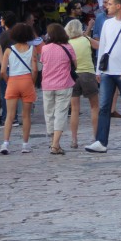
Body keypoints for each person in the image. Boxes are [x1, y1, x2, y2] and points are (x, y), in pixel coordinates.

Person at [85, 0, 121, 153]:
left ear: (118, 6)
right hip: (107, 71)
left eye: (110, 4)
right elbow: (103, 47)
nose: (106, 6)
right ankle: (101, 141)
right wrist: (98, 69)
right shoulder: (107, 24)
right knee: (104, 107)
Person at [0, 23, 39, 154]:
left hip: (13, 81)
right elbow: (35, 69)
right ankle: (25, 145)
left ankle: (5, 143)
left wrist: (8, 81)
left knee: (9, 115)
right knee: (26, 116)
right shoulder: (32, 49)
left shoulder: (9, 50)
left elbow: (3, 71)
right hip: (27, 80)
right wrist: (31, 82)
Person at [39, 23, 76, 155]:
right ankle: (55, 144)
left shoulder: (45, 48)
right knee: (61, 113)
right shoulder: (68, 47)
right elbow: (74, 64)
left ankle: (54, 143)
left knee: (49, 113)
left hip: (47, 84)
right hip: (64, 84)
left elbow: (43, 62)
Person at [66, 19, 99, 149]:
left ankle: (74, 139)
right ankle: (95, 136)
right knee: (94, 107)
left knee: (74, 109)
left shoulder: (67, 43)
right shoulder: (86, 39)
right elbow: (100, 45)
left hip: (73, 75)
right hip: (88, 73)